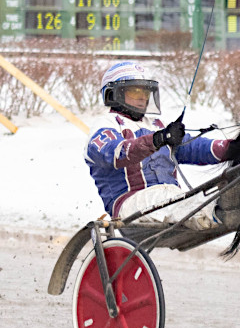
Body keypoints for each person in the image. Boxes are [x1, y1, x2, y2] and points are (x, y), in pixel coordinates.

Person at [85, 61, 229, 230]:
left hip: (169, 197)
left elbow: (193, 147)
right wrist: (157, 139)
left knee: (195, 198)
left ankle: (224, 207)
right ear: (113, 94)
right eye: (135, 91)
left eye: (146, 91)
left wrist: (238, 147)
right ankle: (218, 211)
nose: (142, 97)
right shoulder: (105, 124)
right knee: (196, 204)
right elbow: (116, 153)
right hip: (131, 203)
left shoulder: (156, 124)